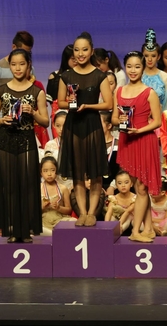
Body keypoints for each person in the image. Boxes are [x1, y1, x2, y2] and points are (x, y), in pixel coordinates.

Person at [0, 48, 49, 243]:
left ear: (28, 65)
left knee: (27, 185)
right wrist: (2, 120)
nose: (17, 68)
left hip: (26, 140)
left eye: (21, 64)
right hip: (6, 140)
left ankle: (26, 230)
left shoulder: (37, 91)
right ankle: (12, 229)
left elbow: (45, 121)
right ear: (9, 66)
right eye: (14, 64)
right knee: (8, 187)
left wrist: (33, 113)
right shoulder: (1, 91)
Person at [57, 32, 112, 227]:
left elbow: (108, 104)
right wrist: (70, 102)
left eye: (85, 50)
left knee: (95, 172)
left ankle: (92, 213)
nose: (80, 54)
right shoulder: (66, 76)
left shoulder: (99, 75)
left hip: (92, 124)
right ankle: (81, 212)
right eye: (77, 50)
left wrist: (88, 106)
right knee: (78, 173)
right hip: (73, 125)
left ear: (91, 51)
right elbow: (60, 102)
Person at [112, 51, 161, 242]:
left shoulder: (150, 92)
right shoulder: (119, 91)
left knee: (141, 188)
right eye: (129, 66)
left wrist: (139, 130)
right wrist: (120, 120)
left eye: (137, 66)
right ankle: (148, 228)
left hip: (144, 141)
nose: (133, 70)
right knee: (140, 189)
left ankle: (135, 231)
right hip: (127, 141)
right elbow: (114, 118)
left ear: (143, 68)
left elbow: (157, 121)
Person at [0, 31, 35, 100]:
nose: (25, 55)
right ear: (14, 47)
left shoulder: (29, 68)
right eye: (22, 51)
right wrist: (10, 100)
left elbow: (33, 90)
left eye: (28, 53)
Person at [38, 156, 75, 236]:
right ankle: (54, 234)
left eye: (52, 170)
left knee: (73, 222)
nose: (49, 174)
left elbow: (69, 210)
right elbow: (32, 212)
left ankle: (55, 234)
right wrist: (42, 207)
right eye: (45, 171)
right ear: (41, 173)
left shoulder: (63, 188)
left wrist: (59, 208)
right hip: (43, 221)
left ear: (57, 171)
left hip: (59, 219)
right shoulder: (38, 188)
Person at [141, 29, 167, 111]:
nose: (149, 59)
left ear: (158, 57)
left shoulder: (166, 78)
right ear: (142, 56)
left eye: (153, 56)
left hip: (160, 116)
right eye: (146, 56)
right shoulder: (137, 76)